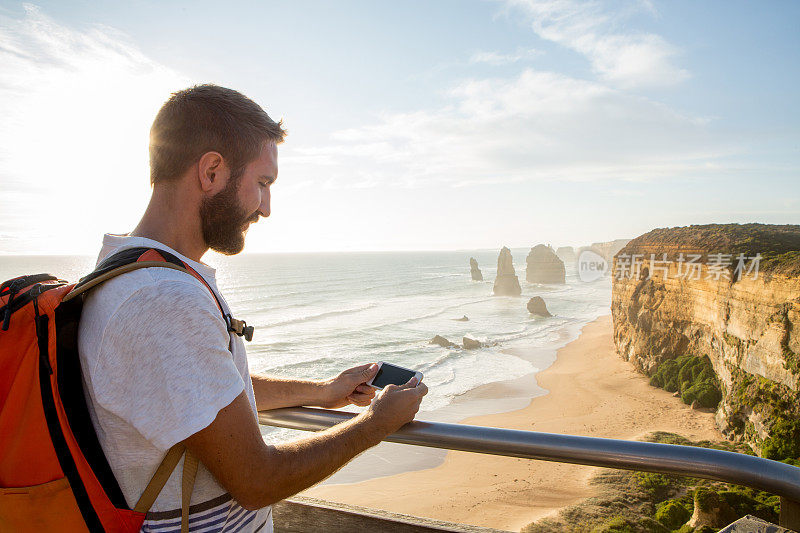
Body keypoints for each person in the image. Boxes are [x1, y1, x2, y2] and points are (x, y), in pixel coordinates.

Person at [78, 84, 428, 533]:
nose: (266, 208)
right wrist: (374, 426)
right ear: (211, 171)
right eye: (262, 184)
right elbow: (257, 481)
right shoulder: (163, 300)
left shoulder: (128, 269)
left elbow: (206, 394)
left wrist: (322, 390)